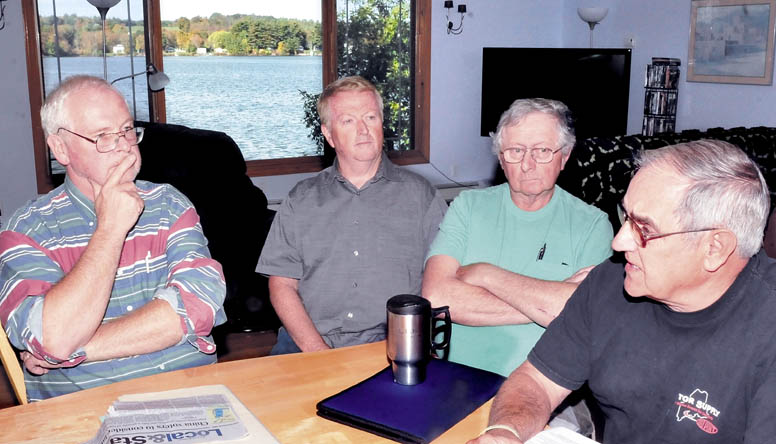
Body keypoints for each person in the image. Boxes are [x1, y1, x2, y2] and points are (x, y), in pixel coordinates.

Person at [469, 139, 776, 444]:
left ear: (715, 248)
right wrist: (505, 432)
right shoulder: (612, 281)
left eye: (644, 229)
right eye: (625, 216)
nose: (618, 243)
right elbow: (536, 382)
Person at [0, 75, 227, 401]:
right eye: (102, 136)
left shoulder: (170, 204)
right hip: (84, 416)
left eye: (127, 129)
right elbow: (55, 337)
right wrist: (110, 229)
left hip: (194, 400)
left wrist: (72, 350)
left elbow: (198, 305)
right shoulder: (28, 229)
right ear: (61, 148)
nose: (125, 145)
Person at [422, 98, 613, 377]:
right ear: (501, 158)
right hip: (455, 376)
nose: (528, 164)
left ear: (565, 155)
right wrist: (548, 302)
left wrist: (485, 274)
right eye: (515, 150)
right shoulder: (468, 206)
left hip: (544, 385)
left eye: (543, 150)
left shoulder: (593, 225)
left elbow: (586, 315)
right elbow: (436, 297)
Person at [256, 76, 447, 353]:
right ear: (329, 134)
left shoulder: (421, 196)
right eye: (348, 121)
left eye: (370, 117)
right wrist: (317, 353)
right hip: (306, 342)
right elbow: (282, 284)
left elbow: (445, 277)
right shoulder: (301, 198)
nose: (363, 130)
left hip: (394, 344)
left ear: (382, 124)